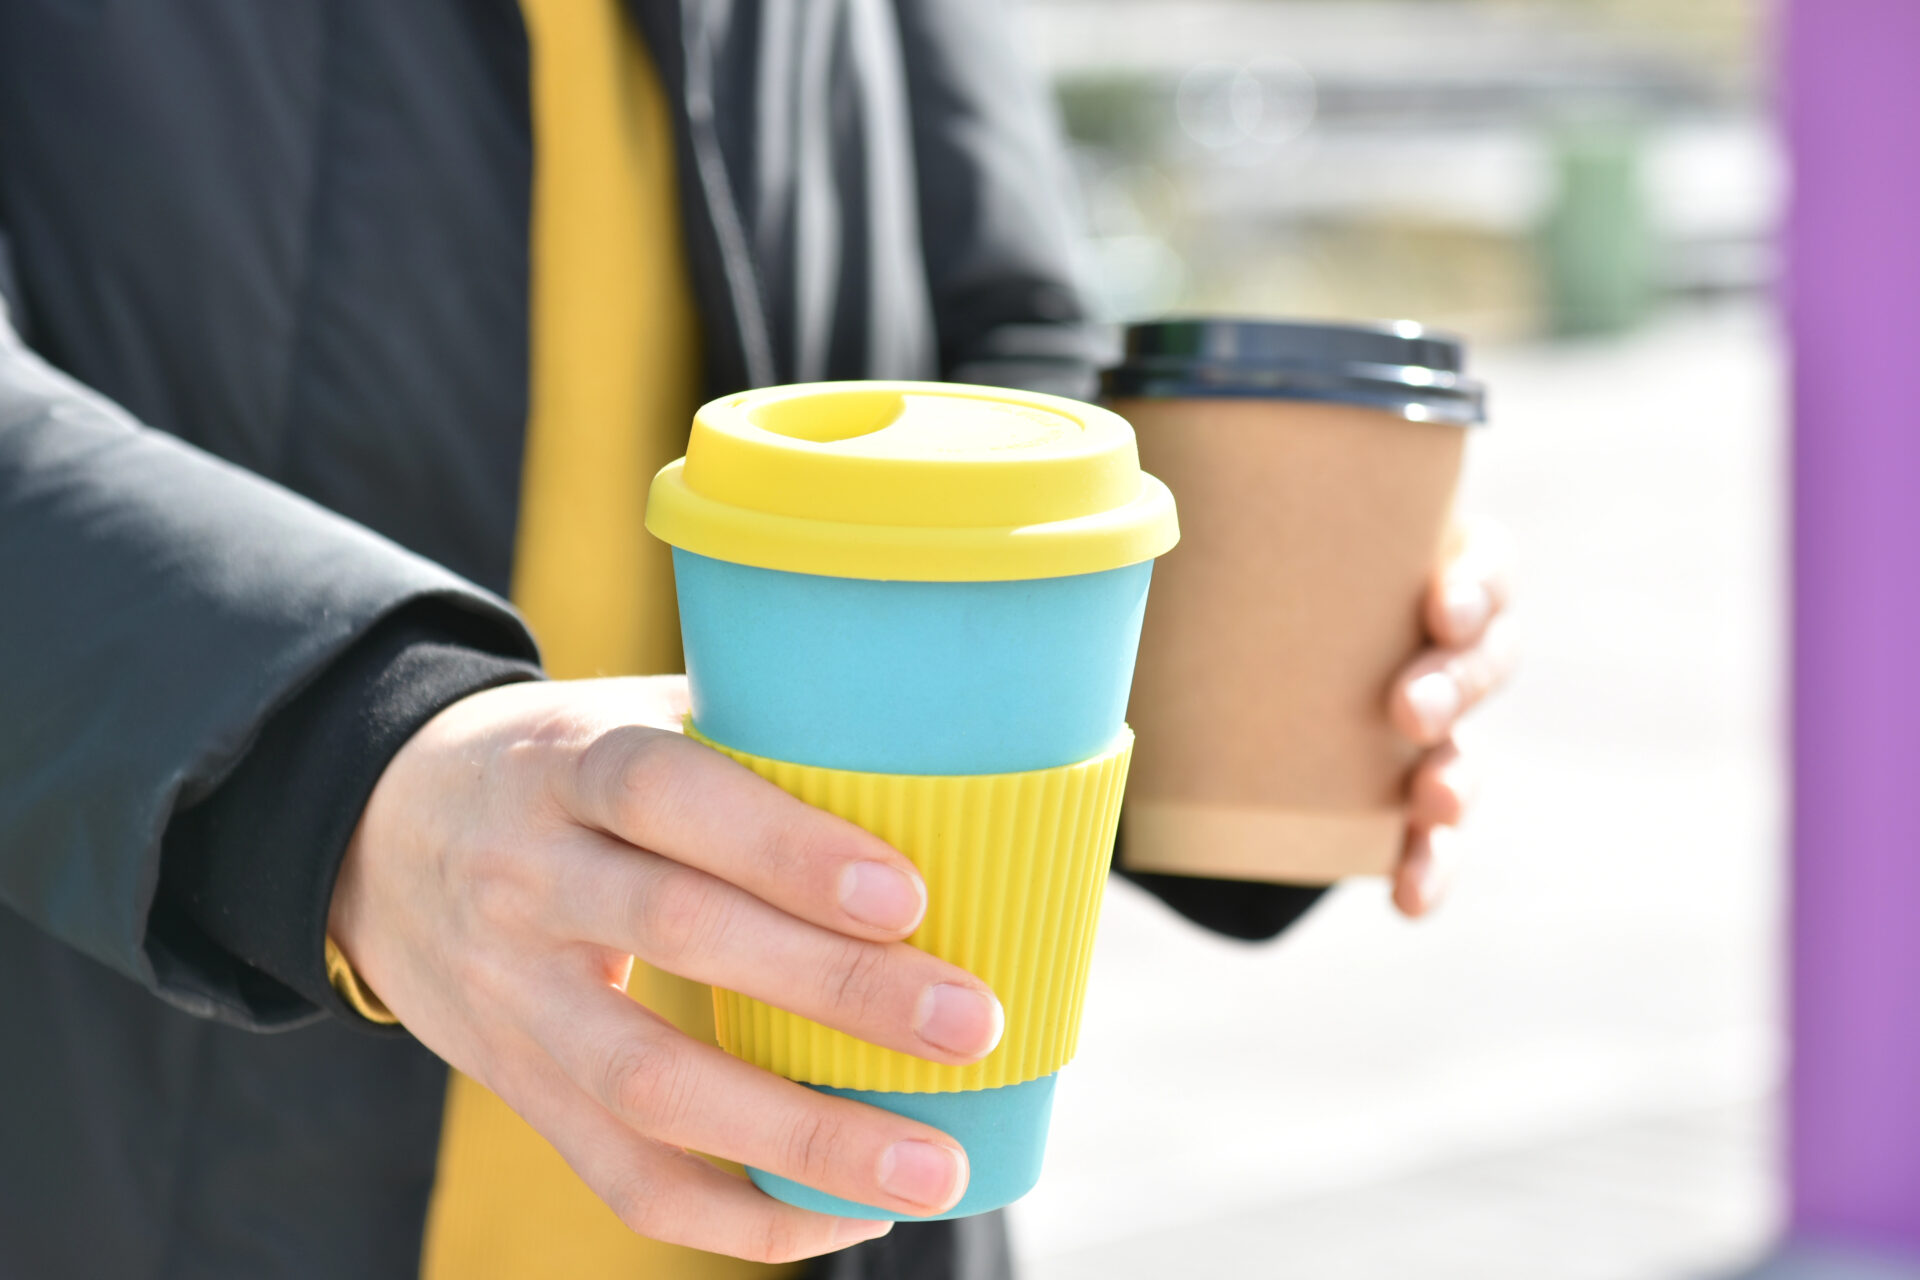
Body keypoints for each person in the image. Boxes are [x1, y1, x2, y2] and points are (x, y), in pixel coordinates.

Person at [0, 2, 1516, 1278]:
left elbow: (1000, 342)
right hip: (147, 1142)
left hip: (833, 1200)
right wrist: (339, 761)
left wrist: (1269, 690)